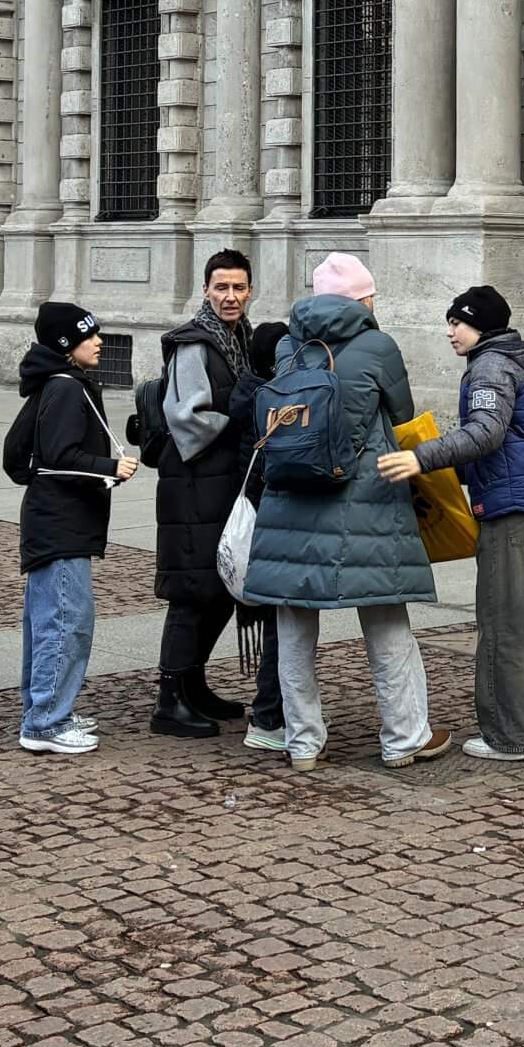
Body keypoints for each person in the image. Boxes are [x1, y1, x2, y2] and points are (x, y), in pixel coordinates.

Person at [239, 254, 449, 772]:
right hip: (366, 502)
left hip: (290, 500)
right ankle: (404, 737)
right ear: (363, 299)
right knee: (386, 619)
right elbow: (402, 414)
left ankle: (303, 742)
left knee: (293, 628)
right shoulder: (379, 345)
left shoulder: (289, 346)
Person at [379, 286, 524, 764]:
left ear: (481, 327)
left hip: (511, 511)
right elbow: (511, 442)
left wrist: (421, 457)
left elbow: (486, 433)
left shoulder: (489, 367)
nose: (450, 332)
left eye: (458, 323)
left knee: (503, 626)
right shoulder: (517, 361)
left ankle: (507, 737)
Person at [147, 250, 261, 738]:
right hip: (192, 486)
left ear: (250, 291)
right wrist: (239, 420)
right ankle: (170, 700)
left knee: (218, 588)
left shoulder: (241, 338)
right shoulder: (194, 343)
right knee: (192, 591)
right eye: (221, 288)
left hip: (221, 483)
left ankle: (193, 685)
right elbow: (186, 418)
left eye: (238, 288)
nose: (230, 297)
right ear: (206, 291)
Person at [16, 302, 136, 756]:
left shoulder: (57, 383)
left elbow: (19, 457)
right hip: (61, 525)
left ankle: (45, 709)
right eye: (89, 336)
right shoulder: (66, 387)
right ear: (67, 344)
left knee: (50, 622)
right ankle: (45, 721)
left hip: (55, 523)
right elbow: (60, 455)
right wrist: (110, 467)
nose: (99, 342)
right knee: (66, 624)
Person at [226, 320, 293, 752]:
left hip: (262, 518)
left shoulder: (250, 391)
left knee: (280, 621)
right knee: (280, 622)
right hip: (270, 520)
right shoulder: (265, 399)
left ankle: (279, 710)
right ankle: (269, 716)